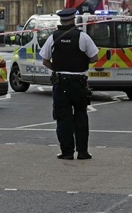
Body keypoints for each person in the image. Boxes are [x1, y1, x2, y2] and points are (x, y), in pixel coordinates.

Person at [39, 8, 99, 160]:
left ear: (60, 20)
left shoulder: (53, 38)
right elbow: (94, 57)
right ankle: (83, 152)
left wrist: (59, 68)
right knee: (81, 117)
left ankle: (67, 152)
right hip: (79, 83)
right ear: (73, 20)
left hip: (61, 83)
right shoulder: (83, 37)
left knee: (63, 119)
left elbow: (45, 60)